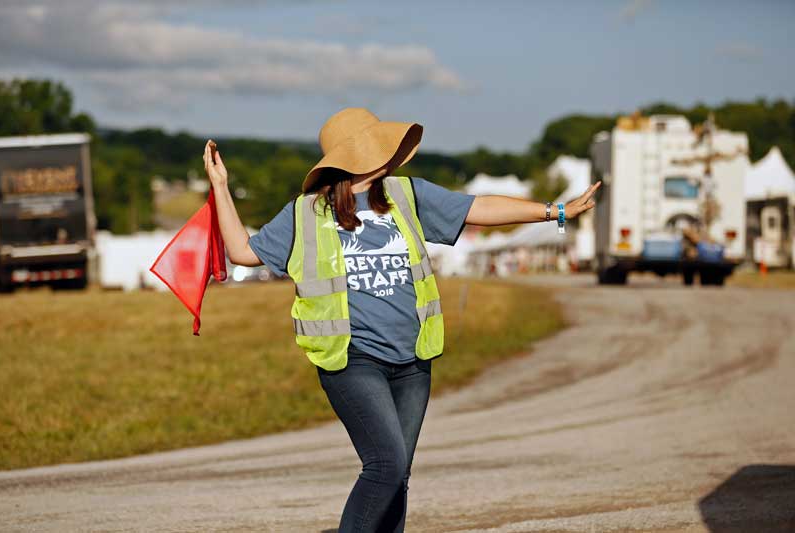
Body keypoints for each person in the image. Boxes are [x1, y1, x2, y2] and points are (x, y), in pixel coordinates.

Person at [204, 107, 600, 532]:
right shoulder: (306, 213)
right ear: (354, 156)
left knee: (398, 478)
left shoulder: (406, 195)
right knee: (385, 466)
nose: (389, 153)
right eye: (377, 145)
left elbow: (477, 207)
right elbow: (244, 252)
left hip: (412, 360)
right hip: (351, 359)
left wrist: (554, 211)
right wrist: (221, 187)